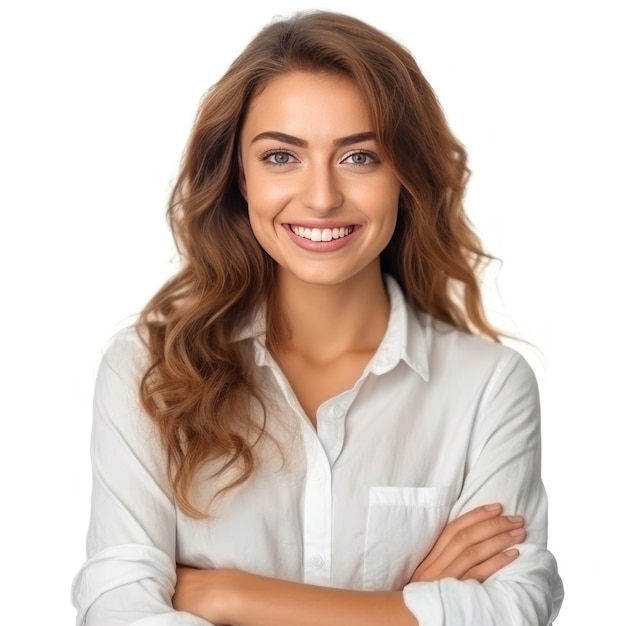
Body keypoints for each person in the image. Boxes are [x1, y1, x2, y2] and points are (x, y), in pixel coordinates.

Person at [71, 10, 563, 626]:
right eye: (282, 156)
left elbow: (513, 610)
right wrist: (409, 607)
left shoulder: (488, 385)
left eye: (360, 158)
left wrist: (229, 597)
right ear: (239, 176)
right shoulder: (146, 371)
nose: (323, 196)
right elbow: (121, 609)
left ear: (406, 177)